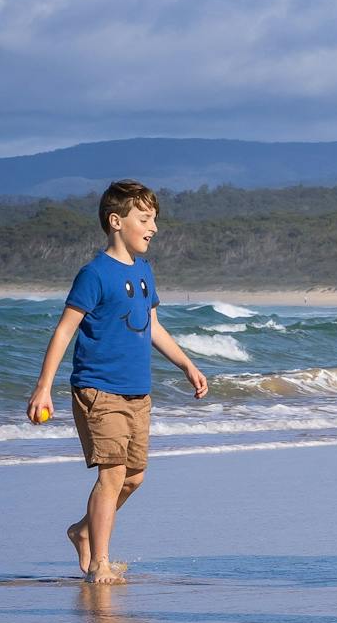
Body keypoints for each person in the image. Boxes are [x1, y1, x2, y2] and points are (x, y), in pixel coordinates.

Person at [28, 180, 209, 584]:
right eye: (144, 219)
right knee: (111, 474)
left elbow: (154, 327)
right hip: (97, 389)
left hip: (137, 392)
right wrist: (44, 387)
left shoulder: (144, 272)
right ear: (116, 221)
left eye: (155, 219)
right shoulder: (94, 274)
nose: (154, 227)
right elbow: (64, 331)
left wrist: (186, 364)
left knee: (134, 476)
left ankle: (82, 531)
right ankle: (99, 563)